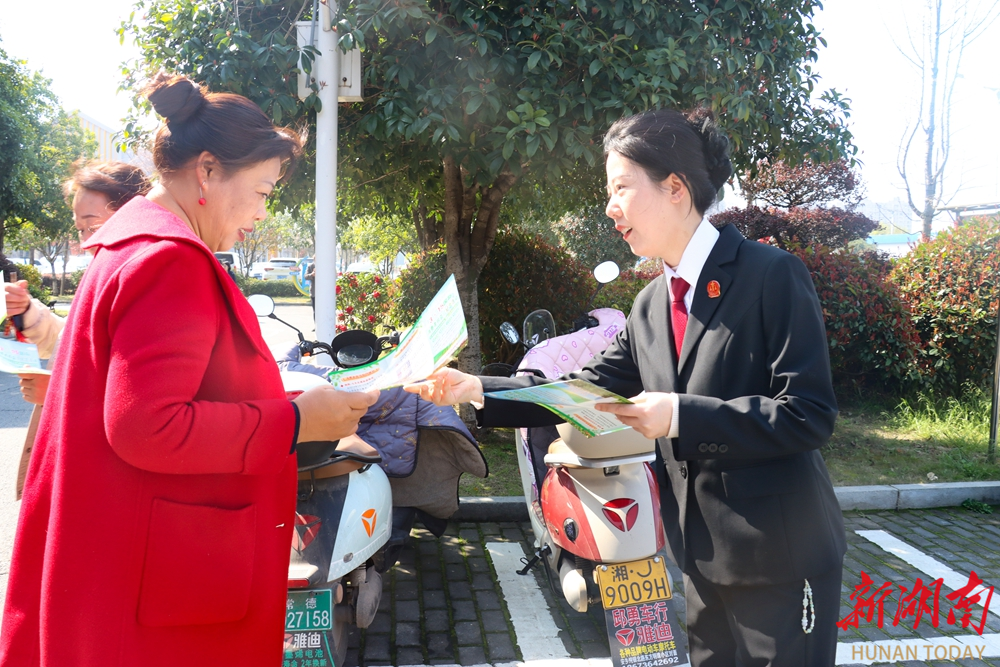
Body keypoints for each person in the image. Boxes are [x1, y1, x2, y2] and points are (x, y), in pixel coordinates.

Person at [407, 108, 846, 667]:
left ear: (675, 188)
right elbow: (580, 391)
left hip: (780, 558)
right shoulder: (650, 304)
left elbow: (808, 412)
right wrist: (475, 388)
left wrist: (680, 416)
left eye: (621, 188)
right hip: (698, 557)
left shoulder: (770, 275)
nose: (610, 207)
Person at [0, 73, 379, 667]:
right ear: (206, 171)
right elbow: (145, 424)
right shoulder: (169, 261)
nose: (261, 213)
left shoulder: (129, 247)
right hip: (149, 594)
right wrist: (296, 421)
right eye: (261, 191)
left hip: (114, 557)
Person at [4, 161, 152, 499]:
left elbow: (137, 402)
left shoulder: (145, 273)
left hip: (106, 480)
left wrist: (57, 392)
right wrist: (26, 311)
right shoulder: (105, 267)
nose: (86, 241)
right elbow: (71, 340)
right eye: (80, 229)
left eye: (93, 225)